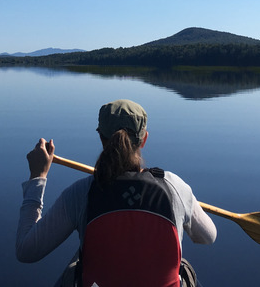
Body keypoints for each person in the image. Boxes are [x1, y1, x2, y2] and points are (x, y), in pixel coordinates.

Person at [16, 99, 217, 287]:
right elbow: (208, 237)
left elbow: (27, 251)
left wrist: (38, 177)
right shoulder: (175, 187)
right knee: (181, 263)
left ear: (101, 138)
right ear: (144, 139)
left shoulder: (81, 193)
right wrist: (186, 199)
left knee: (80, 259)